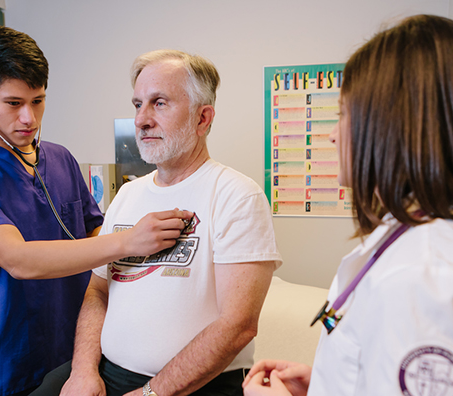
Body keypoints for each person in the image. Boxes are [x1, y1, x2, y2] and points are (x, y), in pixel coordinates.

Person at [242, 15, 453, 396]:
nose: (332, 134)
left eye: (343, 113)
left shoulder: (425, 274)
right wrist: (326, 383)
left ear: (391, 125)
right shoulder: (419, 243)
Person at [0, 27, 190, 396]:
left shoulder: (61, 159)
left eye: (38, 101)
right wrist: (130, 240)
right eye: (14, 103)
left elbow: (94, 237)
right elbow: (20, 261)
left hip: (70, 360)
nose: (29, 119)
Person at [31, 49, 283, 396]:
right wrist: (83, 370)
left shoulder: (237, 196)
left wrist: (153, 392)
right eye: (138, 105)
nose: (141, 120)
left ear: (202, 118)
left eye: (159, 103)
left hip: (194, 386)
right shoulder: (128, 196)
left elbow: (238, 325)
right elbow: (97, 290)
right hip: (107, 375)